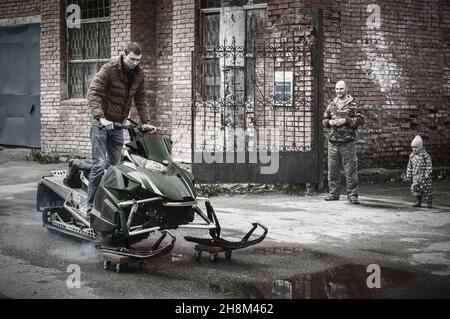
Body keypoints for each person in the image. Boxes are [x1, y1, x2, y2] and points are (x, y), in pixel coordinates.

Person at [86, 42, 155, 213]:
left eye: (138, 60)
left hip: (118, 125)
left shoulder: (139, 74)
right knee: (100, 165)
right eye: (132, 59)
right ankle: (90, 206)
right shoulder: (109, 69)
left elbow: (140, 98)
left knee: (115, 166)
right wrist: (101, 118)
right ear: (124, 55)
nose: (135, 63)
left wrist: (145, 121)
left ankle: (111, 203)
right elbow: (93, 93)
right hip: (101, 124)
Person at [323, 80, 365, 204]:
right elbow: (325, 119)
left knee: (350, 170)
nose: (338, 91)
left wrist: (346, 121)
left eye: (341, 89)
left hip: (348, 143)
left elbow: (361, 119)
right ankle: (333, 194)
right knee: (332, 170)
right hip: (333, 142)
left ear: (347, 89)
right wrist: (329, 122)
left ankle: (352, 195)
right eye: (337, 89)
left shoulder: (354, 104)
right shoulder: (331, 104)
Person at [405, 135, 433, 208]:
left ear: (420, 147)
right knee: (416, 189)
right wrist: (408, 174)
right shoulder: (412, 156)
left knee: (427, 190)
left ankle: (428, 202)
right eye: (413, 147)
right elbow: (409, 166)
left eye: (416, 147)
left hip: (424, 177)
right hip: (416, 176)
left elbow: (429, 165)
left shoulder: (425, 156)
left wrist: (428, 173)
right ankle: (418, 201)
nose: (414, 149)